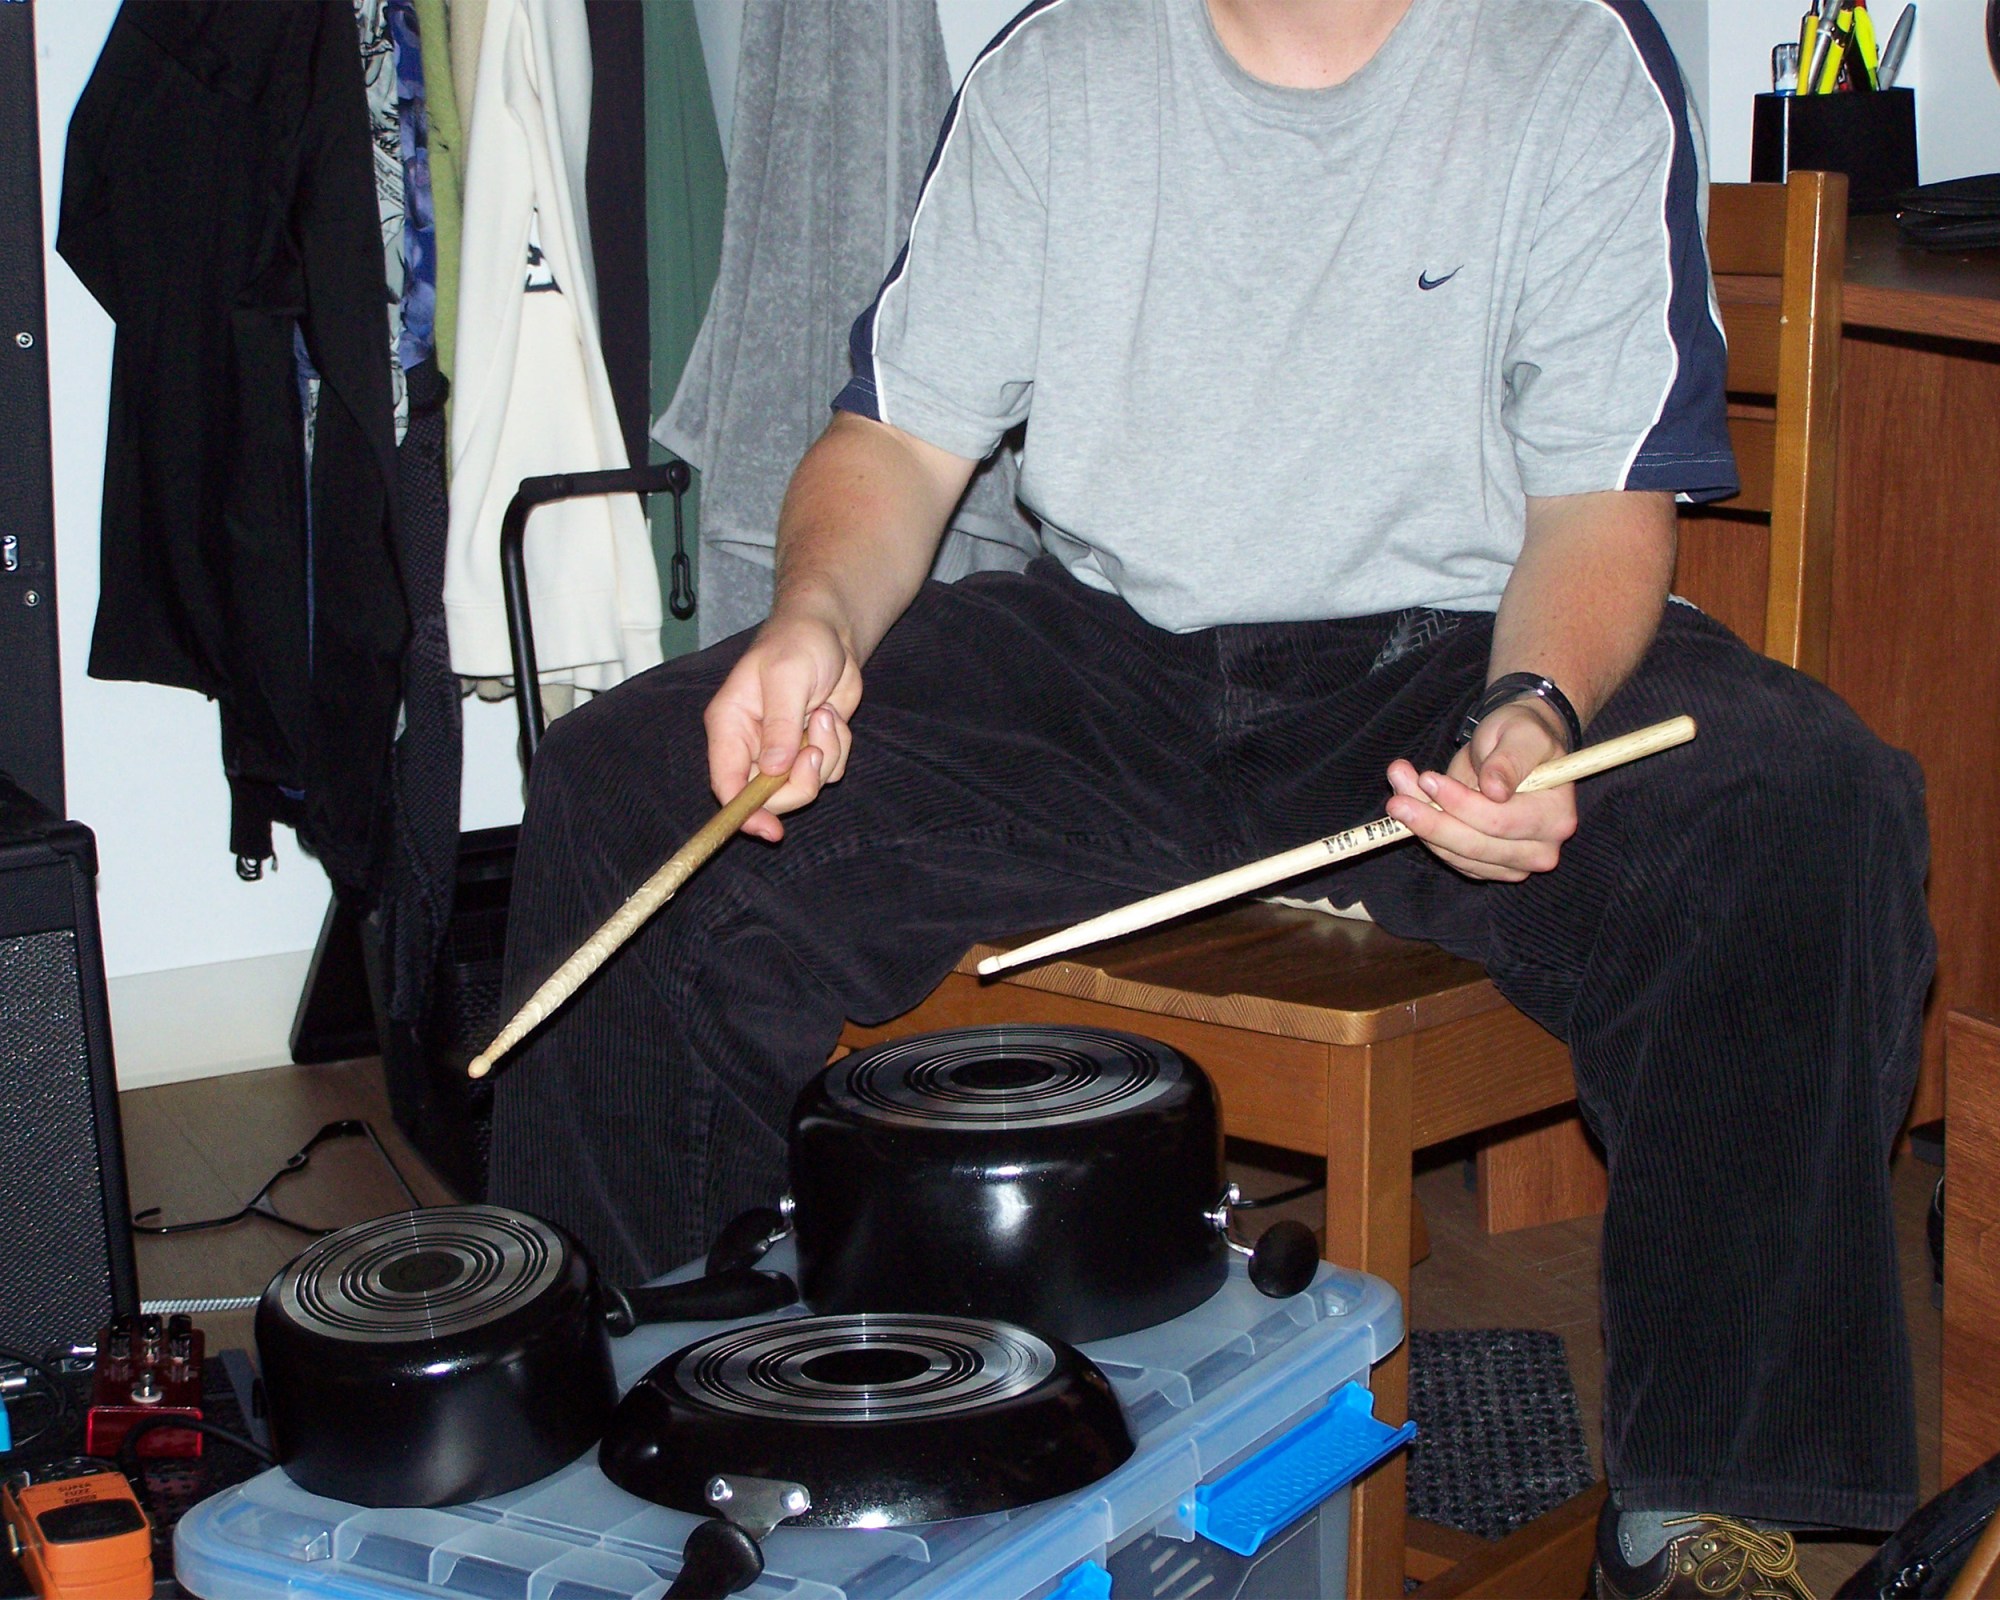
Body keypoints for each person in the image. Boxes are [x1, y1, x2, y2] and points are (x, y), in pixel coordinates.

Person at [488, 1, 1934, 1594]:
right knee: (633, 782)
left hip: (1448, 658)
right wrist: (813, 624)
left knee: (1805, 803)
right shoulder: (1056, 65)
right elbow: (893, 442)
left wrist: (1537, 710)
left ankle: (1705, 1523)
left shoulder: (1565, 50)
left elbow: (1603, 504)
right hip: (1114, 659)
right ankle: (625, 1459)